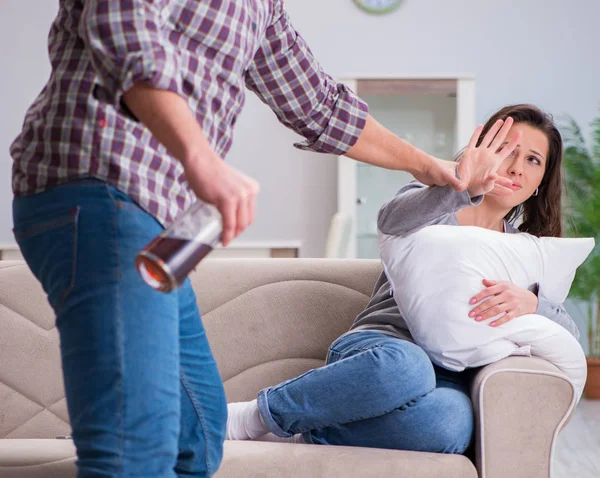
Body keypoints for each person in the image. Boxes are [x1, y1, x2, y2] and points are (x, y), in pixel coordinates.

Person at [10, 1, 468, 477]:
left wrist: (428, 167)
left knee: (199, 438)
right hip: (99, 186)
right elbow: (124, 25)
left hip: (156, 224)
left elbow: (318, 104)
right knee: (134, 448)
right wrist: (201, 160)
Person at [225, 104, 580, 455]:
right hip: (382, 351)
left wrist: (533, 303)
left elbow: (569, 333)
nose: (517, 167)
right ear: (485, 150)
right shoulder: (437, 200)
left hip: (450, 375)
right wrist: (461, 186)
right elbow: (390, 221)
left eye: (533, 160)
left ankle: (307, 434)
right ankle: (252, 418)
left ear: (540, 183)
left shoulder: (526, 253)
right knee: (409, 368)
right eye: (508, 151)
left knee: (452, 423)